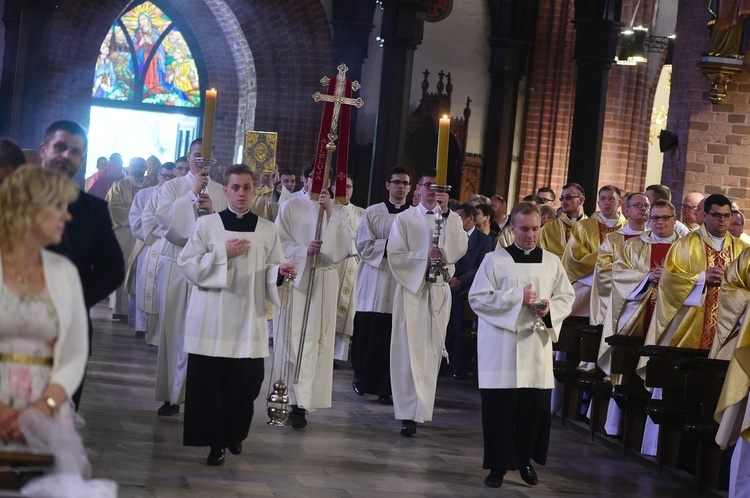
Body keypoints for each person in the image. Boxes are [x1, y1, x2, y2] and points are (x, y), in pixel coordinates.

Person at [178, 164, 295, 465]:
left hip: (249, 316)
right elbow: (188, 264)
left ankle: (235, 433)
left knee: (248, 384)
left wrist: (279, 273)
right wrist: (222, 254)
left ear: (254, 190)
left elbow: (273, 267)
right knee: (212, 386)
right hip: (212, 317)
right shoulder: (207, 225)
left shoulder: (268, 230)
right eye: (235, 187)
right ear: (226, 190)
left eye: (246, 187)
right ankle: (216, 444)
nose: (241, 193)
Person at [468, 202, 574, 488]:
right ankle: (497, 467)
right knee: (500, 410)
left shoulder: (552, 262)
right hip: (501, 348)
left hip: (534, 347)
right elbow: (477, 298)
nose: (530, 235)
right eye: (524, 229)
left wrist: (548, 308)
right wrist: (518, 298)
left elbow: (566, 297)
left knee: (532, 410)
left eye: (535, 229)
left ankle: (524, 460)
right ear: (512, 228)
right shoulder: (494, 260)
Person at [0, 165, 88, 468]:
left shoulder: (64, 272)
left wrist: (42, 407)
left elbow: (75, 354)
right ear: (29, 208)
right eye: (58, 206)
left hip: (47, 411)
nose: (67, 216)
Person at [42, 120, 124, 410]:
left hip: (69, 330)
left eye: (75, 151)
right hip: (13, 326)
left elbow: (113, 267)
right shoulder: (12, 198)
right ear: (44, 149)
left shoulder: (91, 210)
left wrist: (75, 299)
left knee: (57, 419)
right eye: (60, 147)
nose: (67, 156)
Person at [388, 169, 467, 436]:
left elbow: (458, 249)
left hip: (438, 292)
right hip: (412, 290)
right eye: (428, 186)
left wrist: (446, 217)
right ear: (418, 189)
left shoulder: (451, 219)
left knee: (431, 349)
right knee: (407, 350)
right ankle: (407, 413)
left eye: (438, 187)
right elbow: (395, 255)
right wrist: (424, 256)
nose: (433, 191)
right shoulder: (404, 219)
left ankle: (423, 408)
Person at [153, 138, 228, 416]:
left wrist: (212, 212)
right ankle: (172, 395)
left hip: (208, 268)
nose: (201, 161)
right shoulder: (172, 187)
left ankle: (200, 394)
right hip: (177, 267)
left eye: (206, 157)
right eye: (197, 156)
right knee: (174, 331)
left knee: (205, 332)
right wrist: (192, 197)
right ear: (188, 155)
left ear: (214, 159)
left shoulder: (221, 191)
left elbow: (227, 230)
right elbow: (169, 227)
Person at [274, 169, 351, 428]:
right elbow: (279, 242)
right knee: (296, 338)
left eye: (325, 179)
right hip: (299, 279)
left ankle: (306, 401)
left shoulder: (337, 210)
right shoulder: (290, 206)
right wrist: (303, 252)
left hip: (325, 280)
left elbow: (345, 246)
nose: (319, 184)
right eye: (313, 178)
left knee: (318, 339)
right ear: (306, 179)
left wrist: (330, 212)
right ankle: (293, 400)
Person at [637, 194, 747, 365]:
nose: (722, 220)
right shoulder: (685, 244)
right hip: (689, 326)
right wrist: (702, 278)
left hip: (729, 327)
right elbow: (668, 281)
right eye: (717, 215)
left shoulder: (742, 249)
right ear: (705, 216)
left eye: (726, 216)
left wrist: (729, 280)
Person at [351, 167, 411, 404]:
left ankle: (387, 387)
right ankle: (362, 381)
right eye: (396, 182)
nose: (401, 187)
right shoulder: (373, 212)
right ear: (388, 185)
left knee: (392, 339)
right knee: (368, 334)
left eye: (405, 183)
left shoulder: (414, 215)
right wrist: (396, 248)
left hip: (400, 284)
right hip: (375, 283)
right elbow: (364, 246)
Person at [562, 185, 626, 319]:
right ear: (598, 203)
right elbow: (575, 257)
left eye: (611, 198)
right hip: (589, 283)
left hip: (619, 284)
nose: (606, 202)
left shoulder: (627, 228)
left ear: (620, 202)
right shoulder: (583, 226)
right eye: (602, 199)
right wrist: (607, 255)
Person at [129, 162, 175, 341]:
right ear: (158, 176)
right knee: (144, 284)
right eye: (165, 176)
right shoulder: (144, 194)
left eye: (171, 177)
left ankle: (159, 331)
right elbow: (138, 222)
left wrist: (163, 229)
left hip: (169, 246)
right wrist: (161, 232)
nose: (167, 180)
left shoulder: (179, 195)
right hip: (148, 245)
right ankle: (141, 326)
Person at [590, 192, 649, 325]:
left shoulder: (653, 239)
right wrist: (639, 279)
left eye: (646, 206)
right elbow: (603, 271)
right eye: (638, 205)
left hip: (647, 300)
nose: (643, 209)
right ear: (626, 211)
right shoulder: (613, 239)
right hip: (619, 301)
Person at [449, 203, 493, 380]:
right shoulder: (450, 235)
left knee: (461, 329)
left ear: (470, 219)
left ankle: (457, 365)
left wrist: (461, 281)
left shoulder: (483, 240)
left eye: (459, 217)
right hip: (447, 285)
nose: (456, 221)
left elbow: (481, 266)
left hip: (466, 290)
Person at [107, 156, 149, 322]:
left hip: (146, 233)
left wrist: (142, 217)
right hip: (124, 232)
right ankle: (120, 309)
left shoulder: (153, 186)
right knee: (122, 268)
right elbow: (113, 207)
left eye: (141, 165)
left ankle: (139, 315)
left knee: (141, 270)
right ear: (129, 168)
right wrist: (138, 215)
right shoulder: (119, 185)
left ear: (146, 167)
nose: (138, 168)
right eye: (134, 166)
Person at [333, 176, 365, 362]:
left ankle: (338, 355)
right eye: (341, 186)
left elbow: (363, 241)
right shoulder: (326, 208)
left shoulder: (362, 213)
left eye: (349, 186)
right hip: (332, 264)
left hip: (353, 264)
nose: (345, 190)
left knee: (347, 309)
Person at [540, 182, 587, 259]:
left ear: (581, 200)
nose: (563, 202)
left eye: (568, 198)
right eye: (562, 198)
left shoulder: (592, 229)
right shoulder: (548, 229)